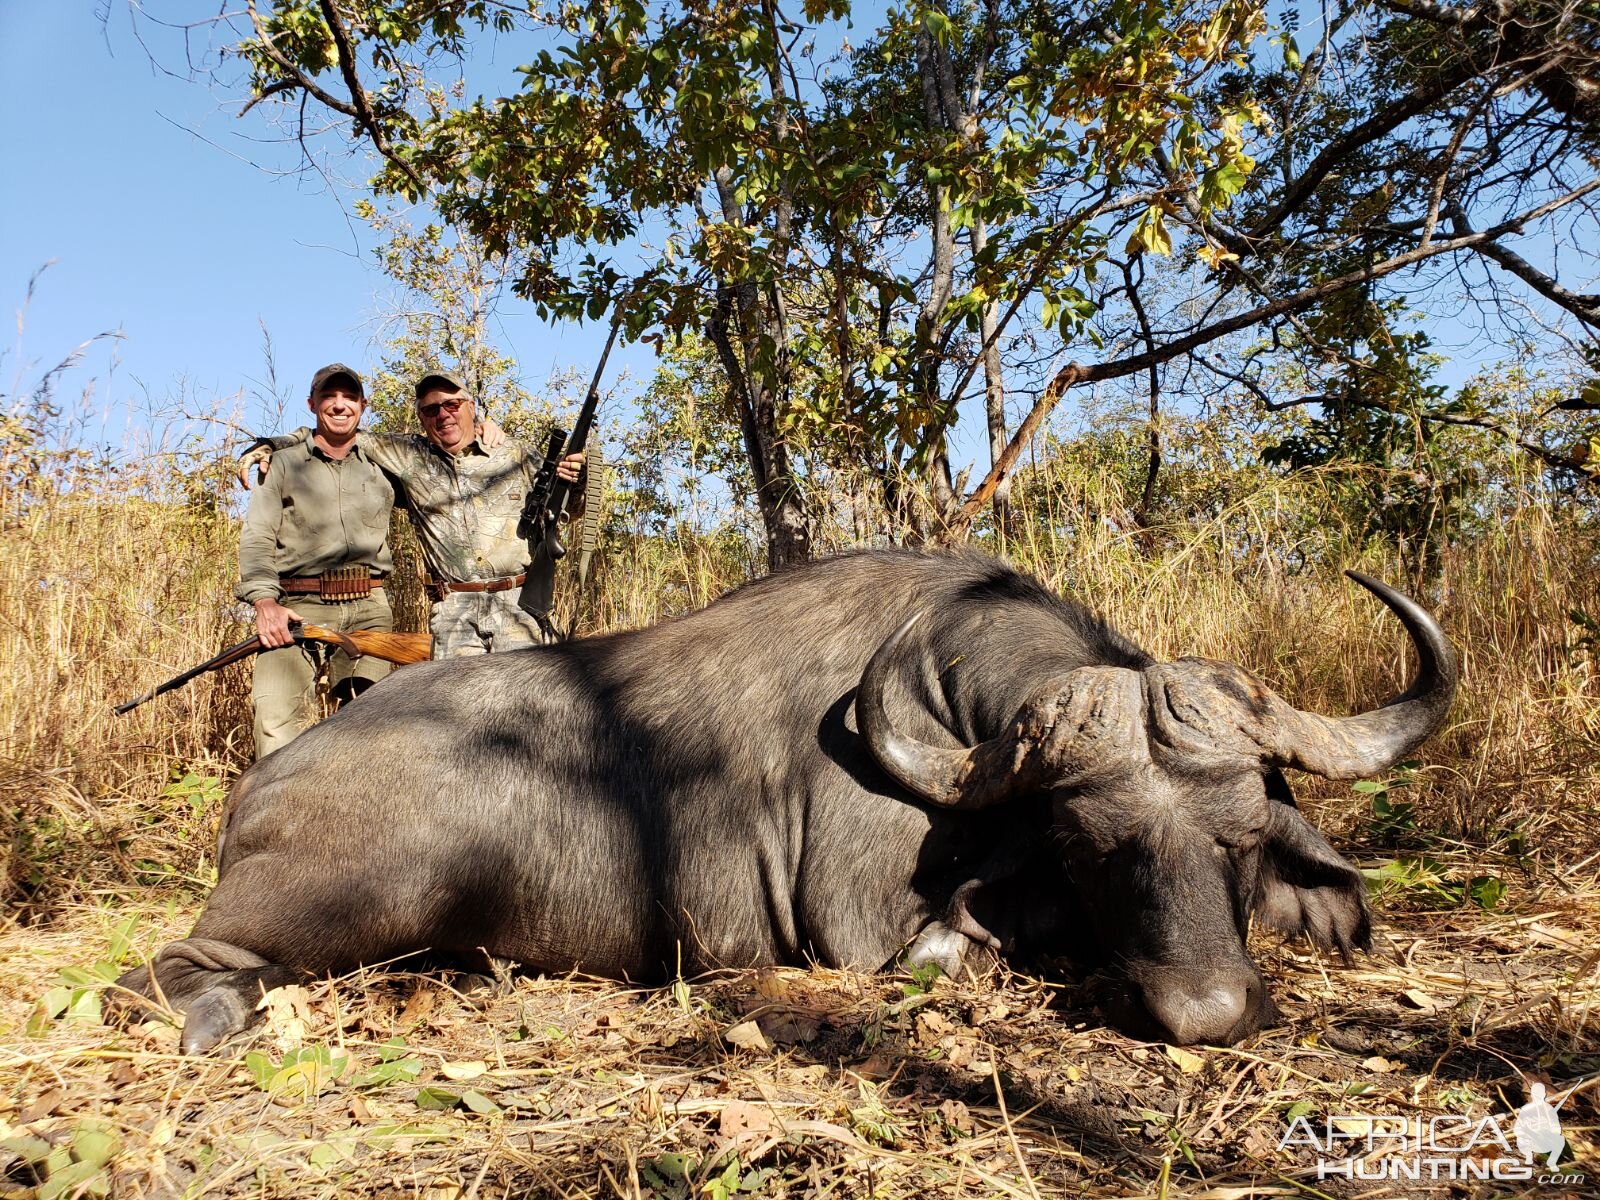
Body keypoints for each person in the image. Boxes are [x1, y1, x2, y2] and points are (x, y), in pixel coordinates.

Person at [243, 368, 584, 657]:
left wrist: (575, 483)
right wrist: (273, 443)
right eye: (431, 409)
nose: (443, 414)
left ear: (471, 408)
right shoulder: (407, 456)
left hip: (520, 601)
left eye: (452, 404)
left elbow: (568, 510)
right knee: (458, 721)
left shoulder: (516, 454)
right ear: (421, 417)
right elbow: (336, 431)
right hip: (454, 610)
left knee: (529, 714)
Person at [236, 364, 395, 758]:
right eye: (329, 397)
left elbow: (443, 456)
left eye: (349, 397)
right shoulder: (281, 464)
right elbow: (257, 537)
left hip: (369, 609)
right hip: (296, 608)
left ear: (363, 405)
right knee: (275, 719)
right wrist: (265, 602)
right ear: (312, 404)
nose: (340, 405)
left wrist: (484, 430)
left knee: (367, 723)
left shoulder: (387, 462)